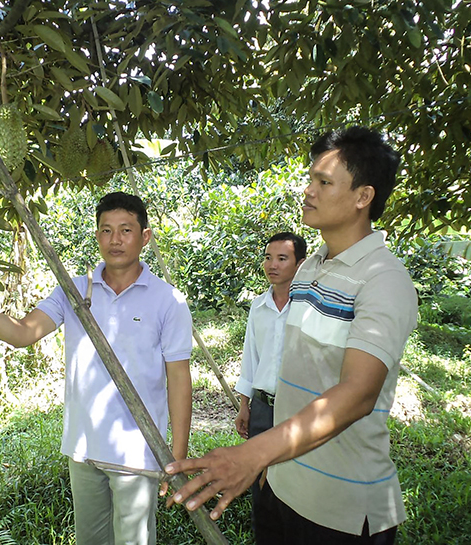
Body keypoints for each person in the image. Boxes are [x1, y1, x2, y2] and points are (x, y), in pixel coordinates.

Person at [166, 126, 418, 545]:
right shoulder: (309, 270)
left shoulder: (384, 280)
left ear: (363, 197)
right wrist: (269, 467)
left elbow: (358, 393)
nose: (309, 191)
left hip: (341, 507)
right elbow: (293, 370)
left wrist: (252, 455)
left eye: (323, 182)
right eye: (310, 179)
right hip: (281, 485)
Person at [0, 191, 193, 545]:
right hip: (84, 448)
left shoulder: (168, 300)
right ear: (97, 235)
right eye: (105, 230)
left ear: (145, 236)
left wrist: (177, 453)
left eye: (126, 230)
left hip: (138, 452)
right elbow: (23, 333)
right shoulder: (75, 289)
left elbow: (179, 378)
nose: (114, 240)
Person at [234, 232, 306, 530]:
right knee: (260, 484)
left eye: (281, 258)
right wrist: (244, 405)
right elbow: (251, 356)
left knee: (294, 484)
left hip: (298, 409)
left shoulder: (309, 309)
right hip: (264, 408)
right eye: (267, 257)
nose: (272, 264)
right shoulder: (259, 307)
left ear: (300, 264)